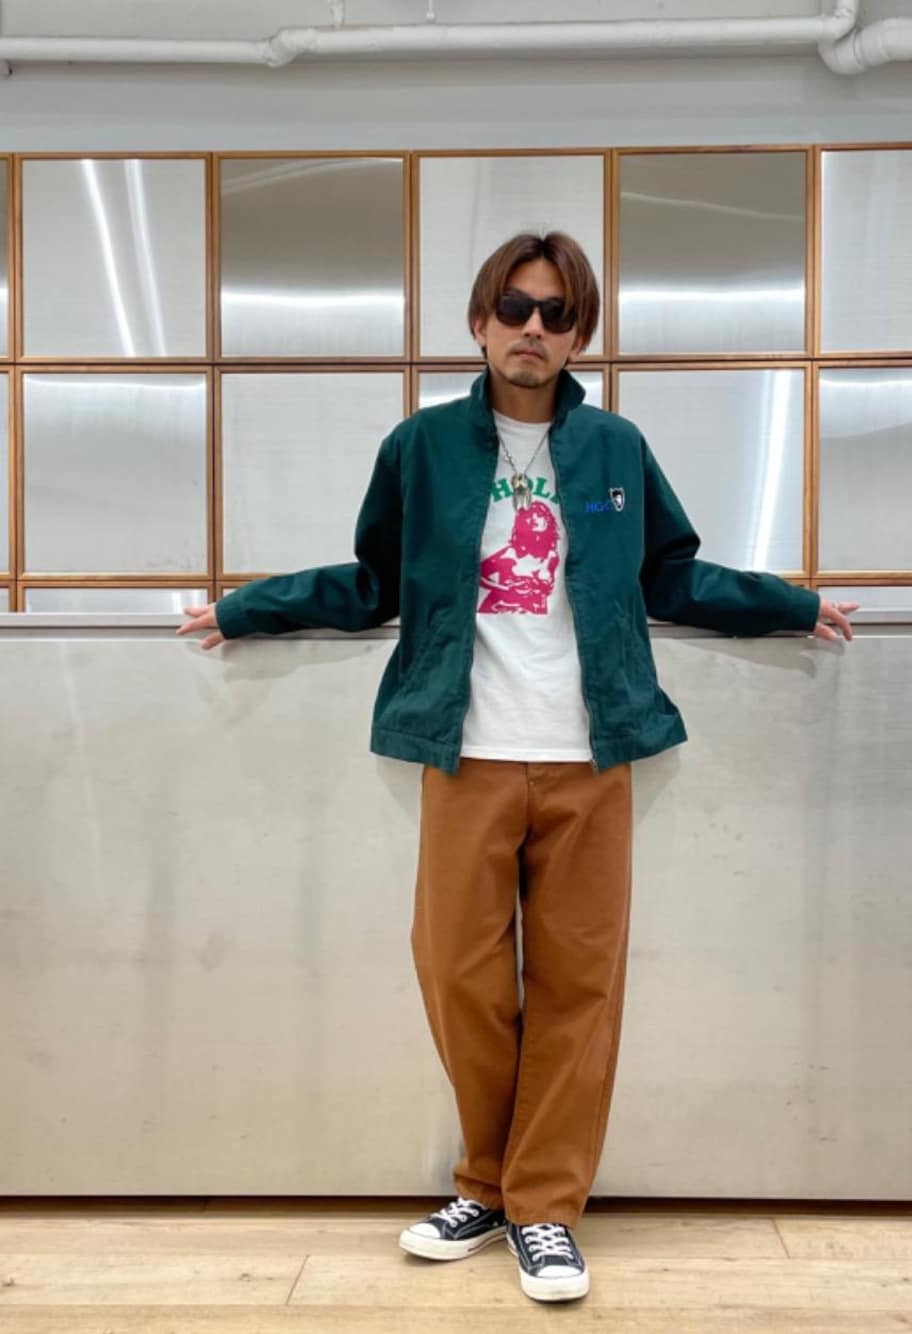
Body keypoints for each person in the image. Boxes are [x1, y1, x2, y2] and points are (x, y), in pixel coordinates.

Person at [177, 231, 858, 1305]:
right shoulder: (422, 446)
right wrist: (246, 608)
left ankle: (542, 1207)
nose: (532, 328)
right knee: (460, 974)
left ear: (578, 334)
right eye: (513, 308)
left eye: (555, 313)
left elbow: (672, 575)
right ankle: (489, 1182)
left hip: (591, 753)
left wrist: (790, 603)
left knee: (580, 987)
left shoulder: (616, 449)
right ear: (479, 322)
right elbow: (371, 579)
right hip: (467, 752)